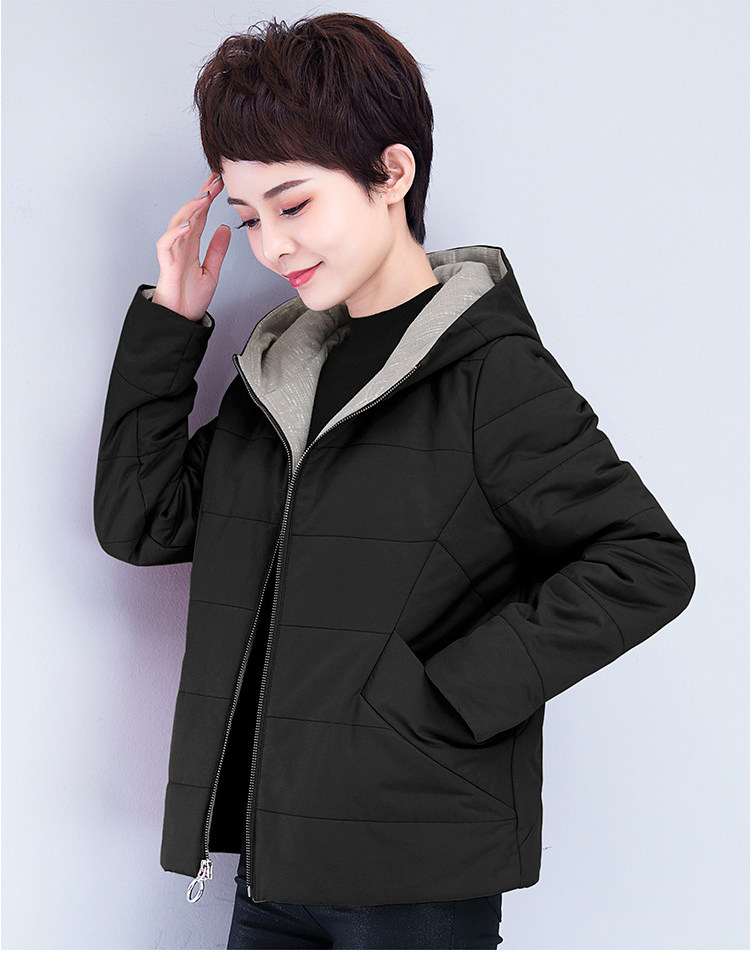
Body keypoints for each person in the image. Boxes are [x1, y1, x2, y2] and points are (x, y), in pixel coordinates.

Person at [93, 12, 696, 951]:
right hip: (271, 872)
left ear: (391, 173)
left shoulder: (490, 371)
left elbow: (646, 562)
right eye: (248, 218)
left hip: (418, 879)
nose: (271, 246)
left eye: (294, 205)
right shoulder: (279, 377)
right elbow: (143, 522)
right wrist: (171, 324)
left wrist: (442, 696)